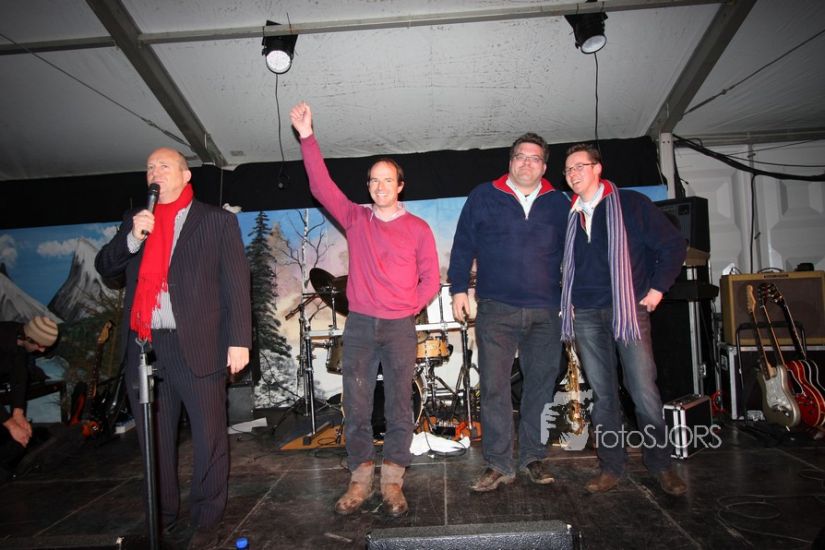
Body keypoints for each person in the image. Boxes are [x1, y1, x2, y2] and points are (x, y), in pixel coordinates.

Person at [290, 102, 440, 517]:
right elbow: (321, 186)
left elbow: (430, 278)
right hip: (358, 327)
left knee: (399, 406)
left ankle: (392, 480)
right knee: (356, 406)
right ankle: (359, 477)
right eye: (373, 180)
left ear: (400, 185)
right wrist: (307, 137)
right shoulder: (356, 219)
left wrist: (409, 306)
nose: (379, 186)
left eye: (387, 179)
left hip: (399, 328)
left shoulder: (418, 229)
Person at [95, 148, 251, 536]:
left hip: (198, 343)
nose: (155, 172)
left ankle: (206, 517)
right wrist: (132, 239)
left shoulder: (215, 221)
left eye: (164, 166)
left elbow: (235, 283)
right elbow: (106, 268)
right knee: (155, 440)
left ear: (185, 176)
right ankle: (161, 514)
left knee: (209, 436)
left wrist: (239, 340)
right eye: (150, 167)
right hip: (145, 347)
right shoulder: (135, 221)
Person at [559, 143, 687, 496]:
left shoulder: (631, 204)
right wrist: (568, 299)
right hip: (586, 314)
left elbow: (673, 245)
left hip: (627, 310)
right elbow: (565, 265)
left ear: (597, 168)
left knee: (643, 391)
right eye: (568, 169)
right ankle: (611, 467)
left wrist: (658, 289)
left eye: (579, 166)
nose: (573, 174)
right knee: (603, 396)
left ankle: (662, 465)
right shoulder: (570, 215)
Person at [448, 133, 569, 492]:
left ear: (544, 167)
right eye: (520, 156)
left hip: (546, 310)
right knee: (494, 386)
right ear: (510, 161)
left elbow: (574, 254)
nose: (526, 163)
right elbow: (462, 244)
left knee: (541, 385)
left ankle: (533, 456)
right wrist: (458, 289)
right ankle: (499, 463)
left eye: (534, 158)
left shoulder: (559, 203)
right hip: (496, 308)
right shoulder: (484, 196)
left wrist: (574, 297)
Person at [0, 316, 59, 450]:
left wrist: (18, 413)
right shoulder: (3, 338)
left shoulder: (20, 339)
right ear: (29, 339)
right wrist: (11, 424)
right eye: (41, 346)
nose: (42, 351)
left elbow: (19, 376)